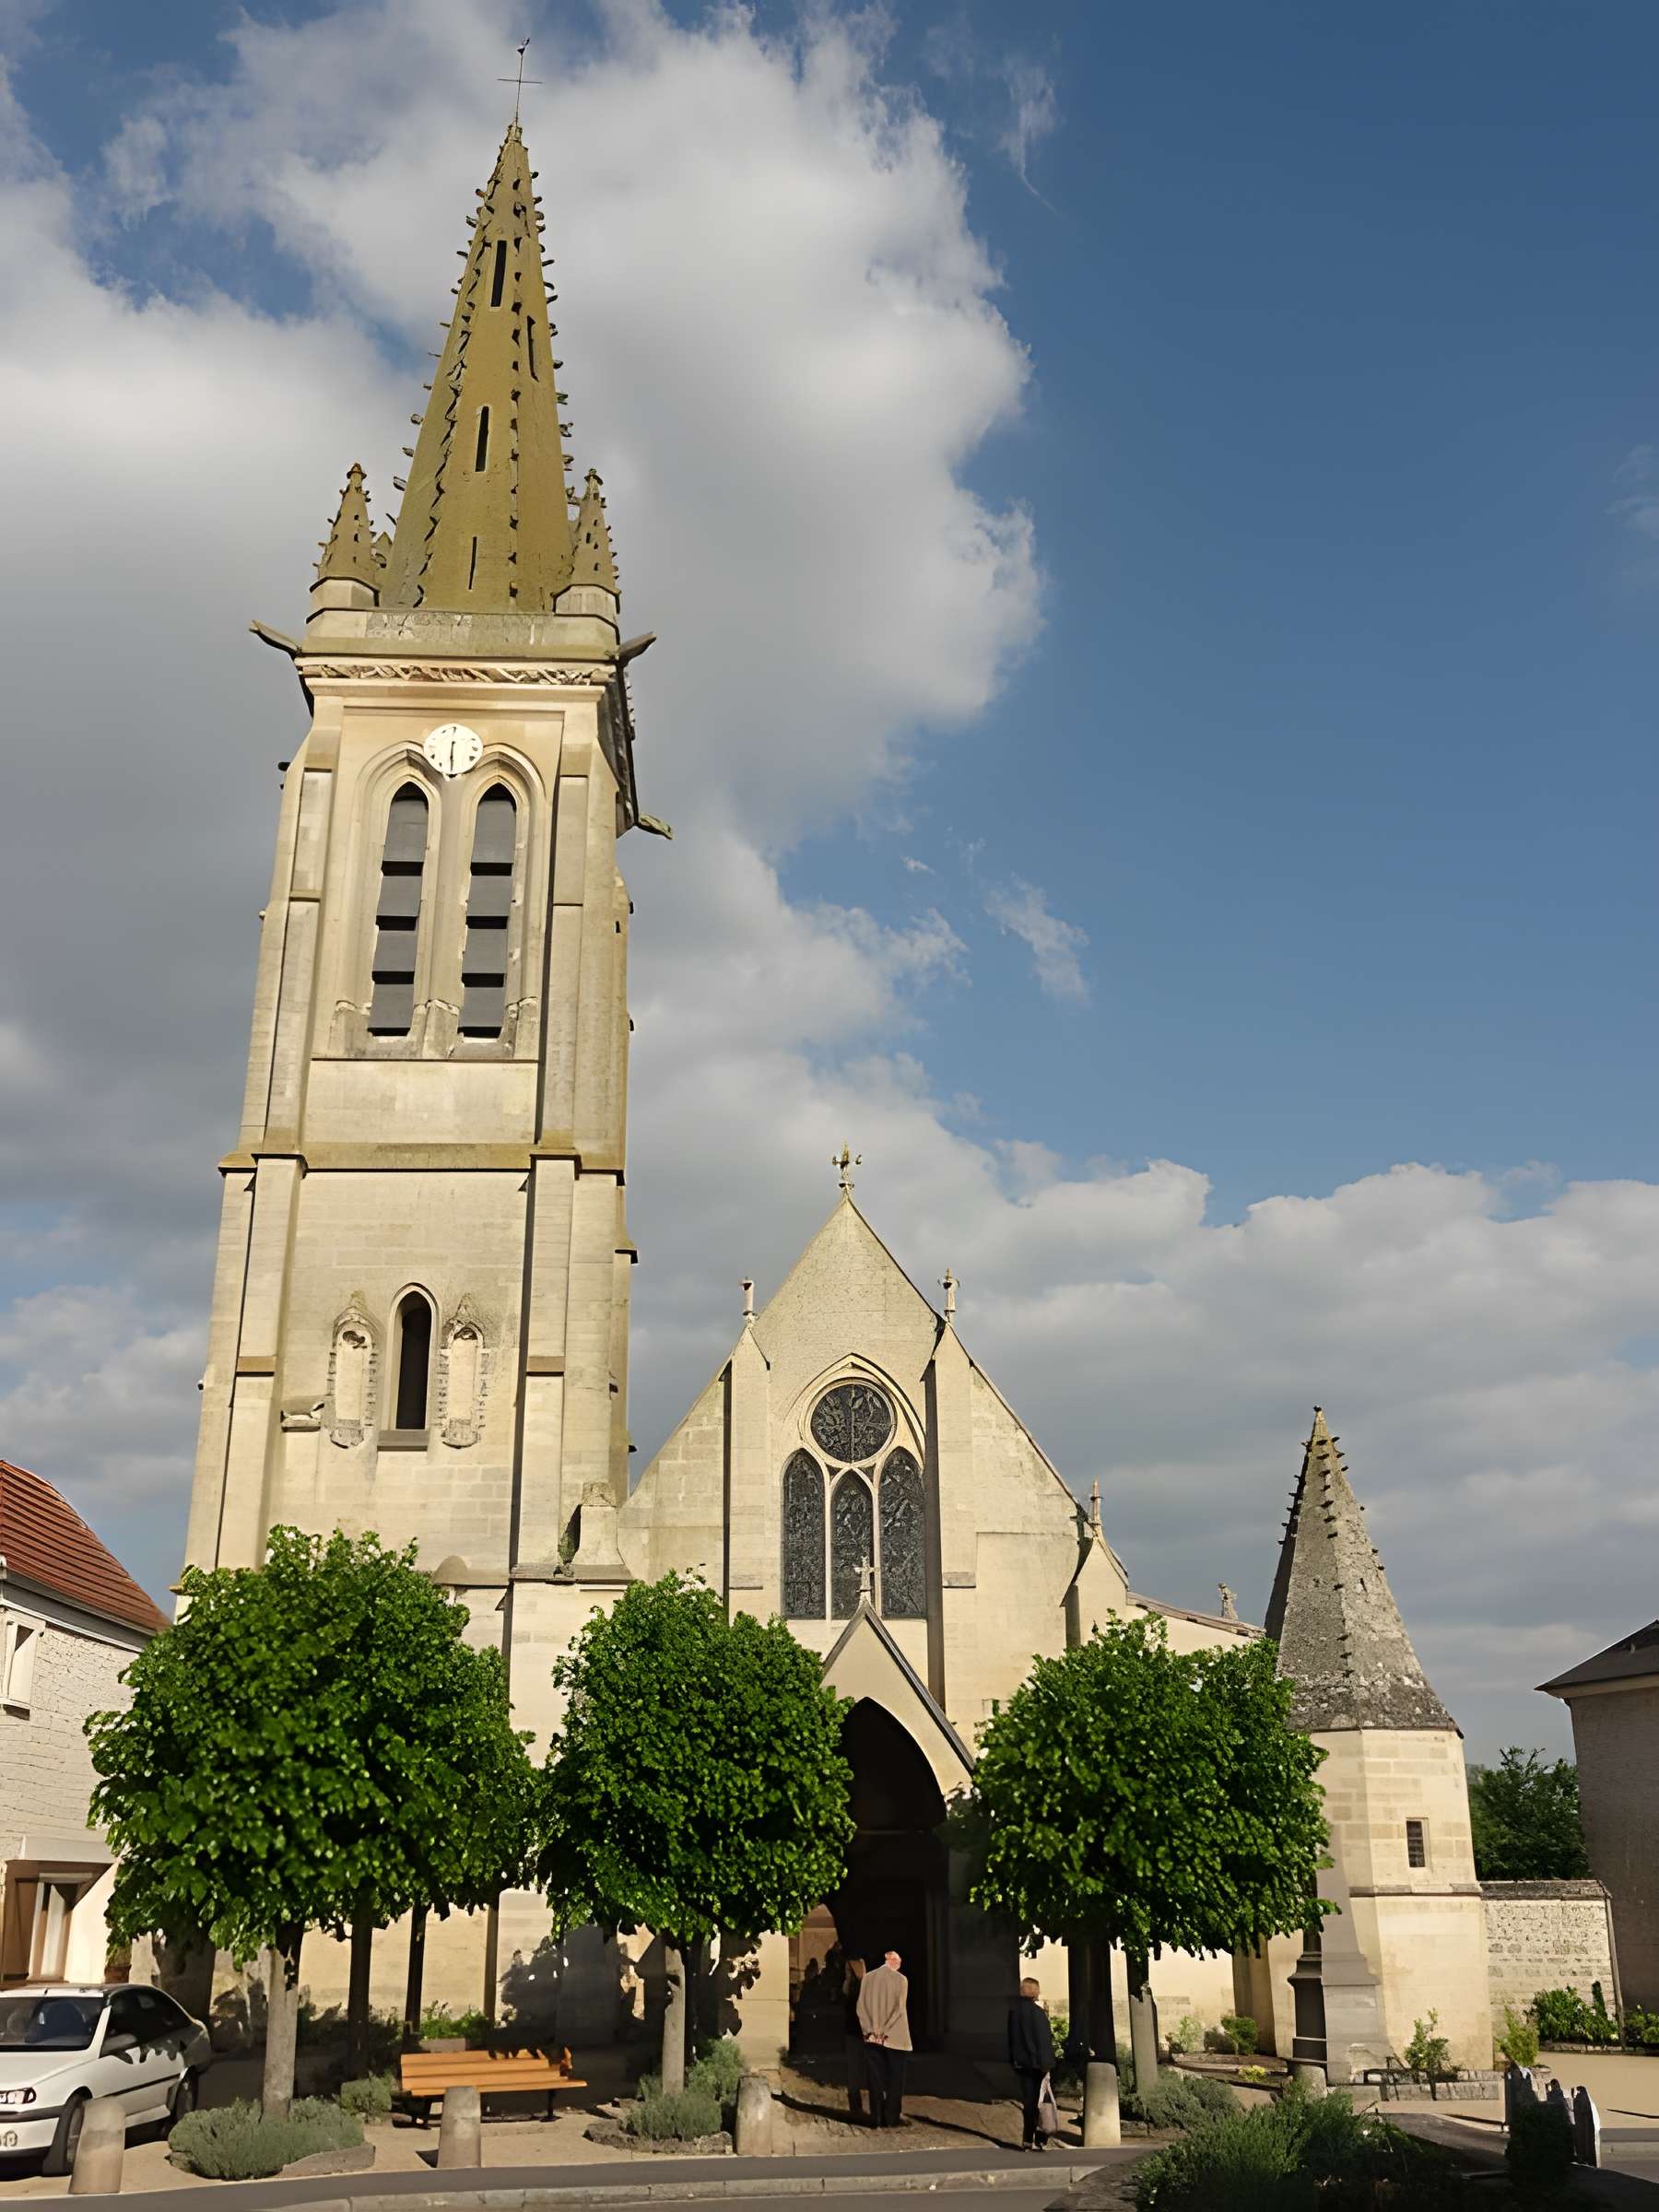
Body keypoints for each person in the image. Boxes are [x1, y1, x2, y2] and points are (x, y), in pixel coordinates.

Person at [856, 1947, 912, 2128]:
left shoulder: (868, 1978)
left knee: (875, 2078)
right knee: (896, 2079)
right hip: (895, 2037)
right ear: (892, 1960)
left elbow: (861, 2008)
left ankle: (877, 2118)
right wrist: (884, 2030)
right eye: (899, 1961)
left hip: (871, 2037)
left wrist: (870, 2030)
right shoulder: (901, 1980)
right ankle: (892, 2118)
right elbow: (899, 2009)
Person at [1006, 1975, 1055, 2150]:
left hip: (1021, 2063)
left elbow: (1012, 2039)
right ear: (1035, 1992)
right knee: (1041, 2102)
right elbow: (1043, 2041)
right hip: (1037, 2064)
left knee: (1028, 2101)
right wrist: (1047, 2065)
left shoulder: (1014, 2013)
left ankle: (1027, 2139)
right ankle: (1040, 2137)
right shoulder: (1037, 2013)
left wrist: (1014, 2060)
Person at [841, 1957, 868, 2122]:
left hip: (854, 2032)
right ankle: (858, 2107)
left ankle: (855, 2107)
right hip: (860, 2032)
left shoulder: (850, 1987)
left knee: (854, 2071)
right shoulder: (863, 1986)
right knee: (860, 2069)